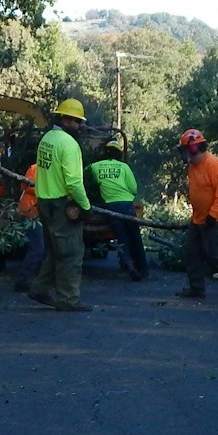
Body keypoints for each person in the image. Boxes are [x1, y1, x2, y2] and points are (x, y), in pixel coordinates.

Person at [29, 99, 93, 311]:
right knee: (71, 253)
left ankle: (39, 288)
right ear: (66, 119)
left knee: (57, 251)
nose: (80, 126)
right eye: (77, 122)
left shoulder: (47, 138)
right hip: (62, 205)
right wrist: (85, 206)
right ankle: (68, 299)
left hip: (45, 202)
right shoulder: (69, 144)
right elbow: (74, 182)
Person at [175, 128, 218, 300]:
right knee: (192, 252)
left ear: (194, 148)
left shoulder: (213, 164)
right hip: (198, 218)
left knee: (211, 252)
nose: (184, 154)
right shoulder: (192, 167)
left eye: (185, 149)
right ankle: (196, 288)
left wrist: (213, 214)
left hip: (216, 219)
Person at [88, 145, 148, 281]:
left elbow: (88, 181)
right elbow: (133, 188)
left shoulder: (95, 167)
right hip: (126, 205)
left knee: (122, 238)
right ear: (119, 154)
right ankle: (143, 269)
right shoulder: (124, 167)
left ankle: (129, 265)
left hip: (110, 207)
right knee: (135, 237)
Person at [12, 162, 45, 293]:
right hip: (31, 211)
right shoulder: (36, 168)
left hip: (37, 212)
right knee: (38, 249)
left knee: (42, 248)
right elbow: (27, 186)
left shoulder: (39, 168)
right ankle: (23, 281)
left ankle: (39, 281)